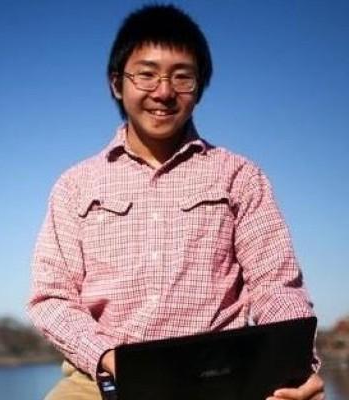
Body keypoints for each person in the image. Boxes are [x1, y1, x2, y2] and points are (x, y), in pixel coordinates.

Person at [27, 4, 325, 400]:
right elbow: (52, 297)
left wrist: (296, 367)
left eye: (182, 77)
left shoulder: (239, 176)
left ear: (199, 88)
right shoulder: (75, 185)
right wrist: (110, 357)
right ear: (117, 84)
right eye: (146, 74)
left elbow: (277, 285)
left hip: (219, 378)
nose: (164, 92)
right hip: (101, 381)